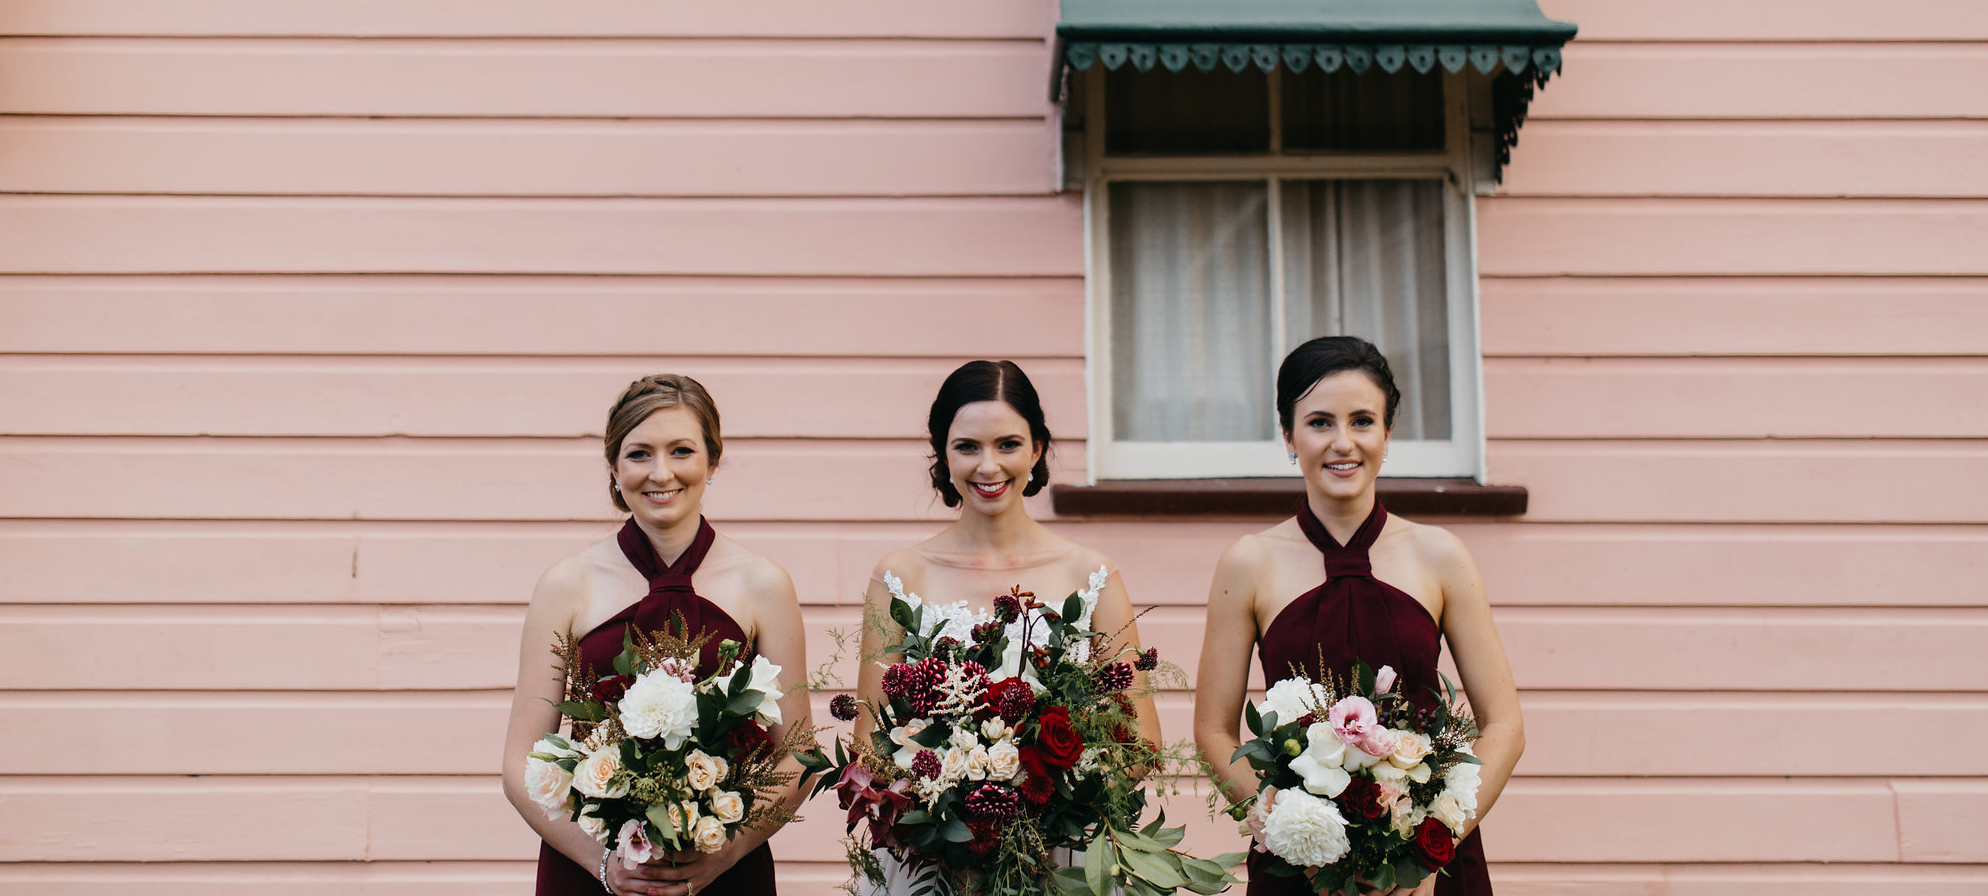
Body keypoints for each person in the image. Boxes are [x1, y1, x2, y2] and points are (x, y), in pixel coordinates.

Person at [1194, 337, 1523, 896]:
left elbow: (1504, 726)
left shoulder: (1440, 556)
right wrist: (1296, 838)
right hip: (1300, 872)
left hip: (1430, 871)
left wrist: (1424, 849)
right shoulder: (1248, 563)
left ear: (1387, 434)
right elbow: (1213, 730)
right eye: (1319, 422)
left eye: (1363, 421)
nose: (1343, 443)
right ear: (1287, 436)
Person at [851, 359, 1164, 890]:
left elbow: (1141, 741)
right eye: (967, 446)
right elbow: (871, 743)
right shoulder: (898, 576)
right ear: (943, 454)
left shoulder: (1090, 575)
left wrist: (1039, 814)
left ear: (1038, 449)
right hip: (934, 862)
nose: (988, 466)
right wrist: (955, 816)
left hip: (1056, 856)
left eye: (1008, 445)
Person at [503, 374, 812, 896]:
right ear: (614, 467)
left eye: (682, 451)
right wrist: (605, 864)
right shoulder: (566, 585)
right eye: (640, 453)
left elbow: (797, 755)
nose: (661, 473)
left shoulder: (764, 585)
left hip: (721, 869)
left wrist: (722, 856)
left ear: (712, 462)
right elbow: (520, 763)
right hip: (590, 868)